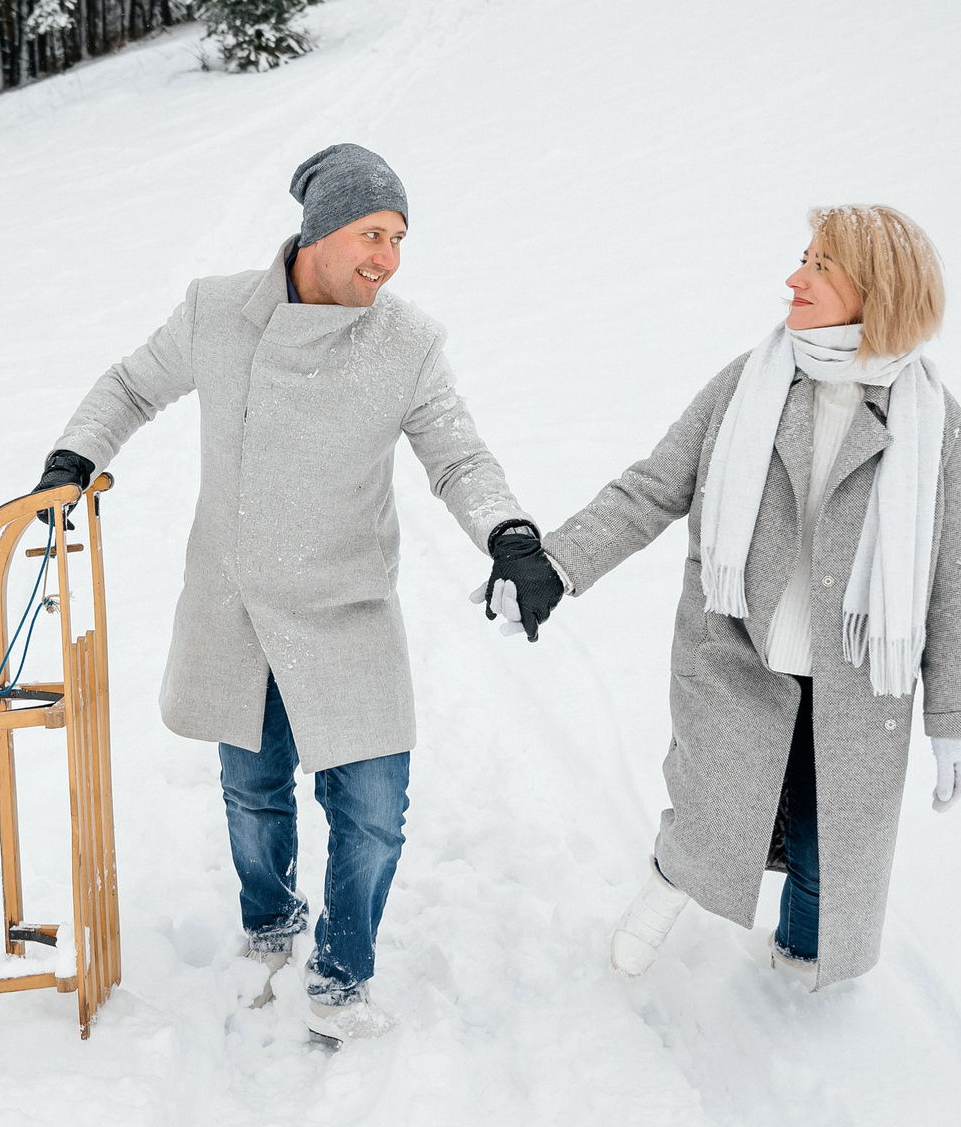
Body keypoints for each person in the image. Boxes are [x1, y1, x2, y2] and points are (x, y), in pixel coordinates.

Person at [32, 143, 565, 1045]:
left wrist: (509, 534)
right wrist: (73, 458)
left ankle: (341, 978)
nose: (387, 259)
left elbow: (460, 456)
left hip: (345, 607)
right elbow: (131, 385)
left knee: (373, 811)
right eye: (372, 234)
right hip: (236, 604)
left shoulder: (407, 343)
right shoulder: (218, 312)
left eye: (399, 239)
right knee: (254, 792)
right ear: (320, 231)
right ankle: (271, 924)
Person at [530, 205, 961, 992]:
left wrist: (955, 720)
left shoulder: (933, 423)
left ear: (876, 290)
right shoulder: (750, 384)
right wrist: (558, 565)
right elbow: (651, 488)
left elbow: (956, 581)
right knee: (712, 804)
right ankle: (667, 888)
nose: (794, 278)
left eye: (820, 266)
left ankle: (798, 968)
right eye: (803, 258)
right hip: (737, 654)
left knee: (826, 847)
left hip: (859, 682)